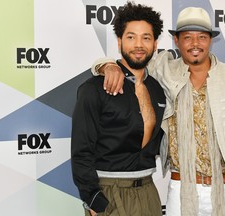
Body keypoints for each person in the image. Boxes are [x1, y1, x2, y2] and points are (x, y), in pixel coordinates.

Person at [92, 7, 225, 216]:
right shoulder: (162, 69)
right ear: (176, 41)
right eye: (187, 37)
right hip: (181, 190)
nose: (195, 44)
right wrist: (106, 65)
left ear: (210, 40)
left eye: (202, 37)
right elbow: (130, 62)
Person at [71, 2, 166, 216]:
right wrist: (94, 200)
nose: (138, 45)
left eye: (146, 38)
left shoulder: (158, 89)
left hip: (149, 192)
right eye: (131, 37)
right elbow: (81, 150)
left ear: (155, 43)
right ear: (119, 41)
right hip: (109, 192)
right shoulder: (94, 88)